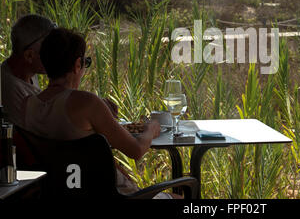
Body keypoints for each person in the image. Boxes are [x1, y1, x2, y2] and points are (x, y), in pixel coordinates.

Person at [22, 28, 177, 198]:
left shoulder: (28, 105)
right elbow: (136, 150)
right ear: (77, 65)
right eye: (85, 62)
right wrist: (152, 128)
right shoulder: (87, 103)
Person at [1, 14, 56, 129]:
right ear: (29, 55)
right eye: (50, 50)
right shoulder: (10, 88)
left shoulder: (28, 73)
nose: (56, 54)